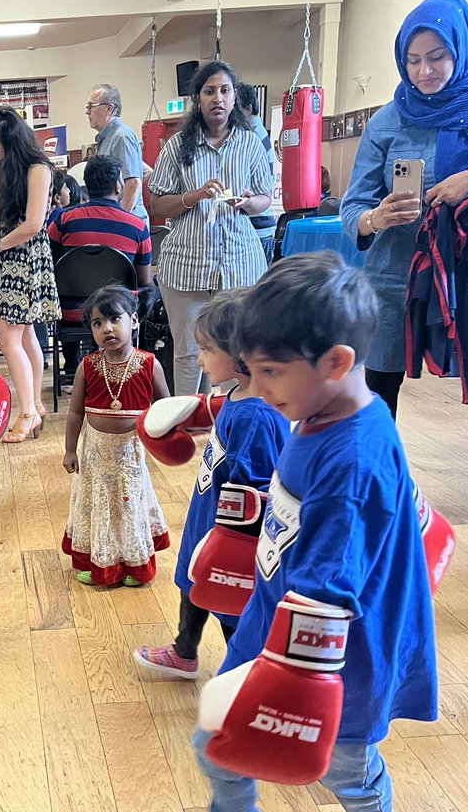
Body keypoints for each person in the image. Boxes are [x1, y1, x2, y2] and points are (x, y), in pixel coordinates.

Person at [159, 253, 437, 812]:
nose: (255, 386)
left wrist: (284, 686)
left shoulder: (353, 459)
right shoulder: (316, 410)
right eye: (250, 370)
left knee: (345, 767)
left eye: (269, 372)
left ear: (335, 362)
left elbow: (330, 585)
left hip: (337, 655)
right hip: (274, 618)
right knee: (214, 734)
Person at [134, 291, 288, 677]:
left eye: (206, 350)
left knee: (229, 599)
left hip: (231, 533)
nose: (199, 359)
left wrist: (228, 544)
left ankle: (246, 672)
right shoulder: (238, 395)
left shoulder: (257, 416)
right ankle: (184, 651)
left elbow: (252, 488)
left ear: (241, 353)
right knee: (192, 581)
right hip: (208, 515)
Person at [341, 0, 468, 421]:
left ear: (461, 49)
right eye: (413, 60)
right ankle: (378, 484)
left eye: (437, 56)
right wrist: (373, 218)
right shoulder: (386, 121)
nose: (424, 71)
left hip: (467, 275)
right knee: (377, 394)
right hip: (395, 275)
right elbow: (354, 205)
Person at [148, 61, 273, 395]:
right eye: (209, 91)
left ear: (234, 98)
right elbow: (157, 205)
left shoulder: (250, 144)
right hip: (186, 264)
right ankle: (189, 424)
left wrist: (248, 202)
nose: (217, 97)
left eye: (225, 90)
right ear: (198, 99)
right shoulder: (176, 146)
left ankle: (232, 422)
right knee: (189, 353)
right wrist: (194, 195)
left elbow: (265, 197)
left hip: (240, 263)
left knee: (237, 350)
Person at [62, 284, 170, 586]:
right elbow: (74, 413)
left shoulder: (150, 364)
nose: (106, 328)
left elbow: (165, 407)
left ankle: (133, 565)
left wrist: (167, 442)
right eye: (97, 323)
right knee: (96, 504)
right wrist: (70, 450)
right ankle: (96, 560)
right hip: (95, 453)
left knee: (128, 504)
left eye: (114, 319)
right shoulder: (87, 366)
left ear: (133, 320)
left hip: (130, 454)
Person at [0, 105, 60, 442]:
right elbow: (5, 215)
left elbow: (34, 224)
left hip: (24, 257)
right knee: (24, 336)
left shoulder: (38, 169)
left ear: (10, 139)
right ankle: (34, 404)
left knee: (8, 338)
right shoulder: (11, 170)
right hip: (12, 253)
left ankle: (26, 412)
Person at [48, 153, 155, 393]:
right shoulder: (137, 226)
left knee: (71, 296)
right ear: (118, 186)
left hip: (70, 312)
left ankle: (72, 369)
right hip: (117, 316)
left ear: (86, 184)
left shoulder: (64, 220)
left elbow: (50, 265)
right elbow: (144, 280)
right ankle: (119, 366)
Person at [85, 85, 148, 225]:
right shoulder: (107, 138)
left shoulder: (121, 137)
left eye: (91, 106)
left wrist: (119, 222)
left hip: (127, 221)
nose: (87, 112)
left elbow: (132, 182)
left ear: (109, 108)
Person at [236, 82, 277, 264]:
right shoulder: (255, 133)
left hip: (258, 227)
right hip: (256, 226)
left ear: (248, 109)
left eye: (236, 107)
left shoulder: (254, 137)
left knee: (255, 290)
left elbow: (259, 188)